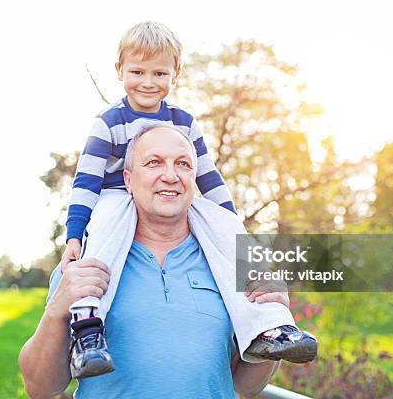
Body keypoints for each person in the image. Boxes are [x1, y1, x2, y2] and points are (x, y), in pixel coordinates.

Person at [59, 21, 317, 378]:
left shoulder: (184, 122)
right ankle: (87, 330)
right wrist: (74, 234)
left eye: (159, 73)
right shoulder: (108, 121)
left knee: (228, 232)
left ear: (175, 74)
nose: (148, 82)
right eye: (137, 71)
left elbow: (208, 176)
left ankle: (270, 325)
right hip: (118, 195)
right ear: (119, 71)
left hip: (176, 195)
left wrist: (230, 223)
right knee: (101, 235)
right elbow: (86, 181)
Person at [20, 126, 295, 398]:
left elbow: (246, 385)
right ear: (128, 180)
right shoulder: (86, 260)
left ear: (194, 178)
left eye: (183, 164)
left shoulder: (228, 262)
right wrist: (57, 310)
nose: (170, 175)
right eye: (154, 163)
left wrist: (271, 316)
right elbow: (41, 387)